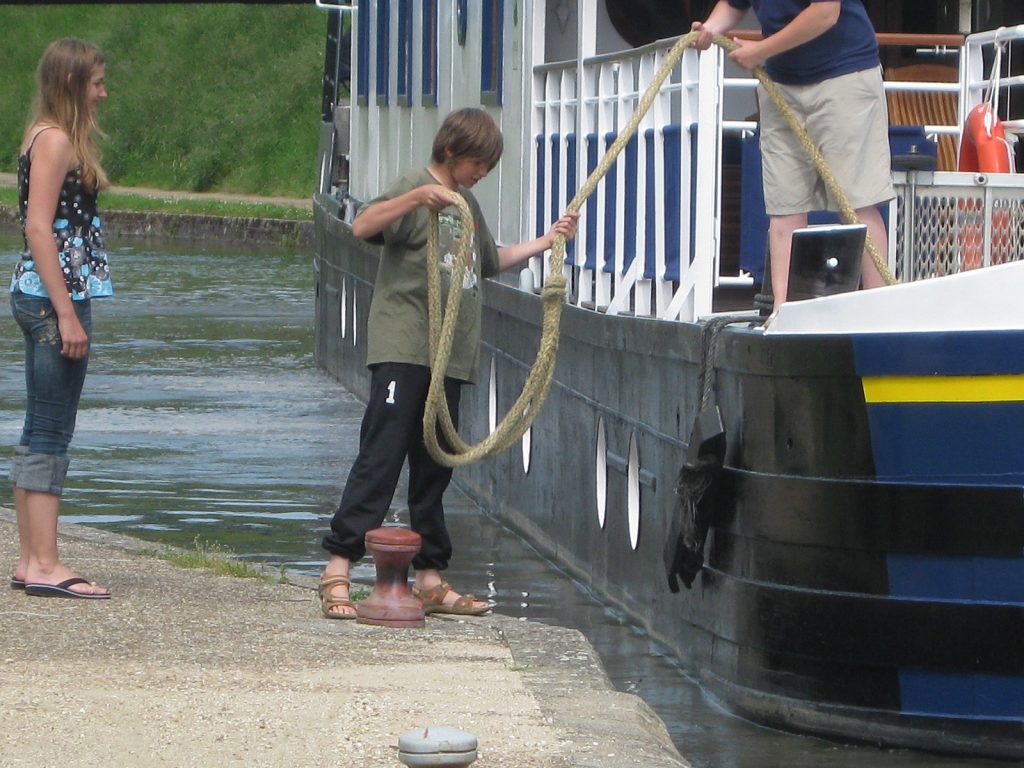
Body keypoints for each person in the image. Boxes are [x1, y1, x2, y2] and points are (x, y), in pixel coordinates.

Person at [319, 108, 578, 619]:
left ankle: (431, 576)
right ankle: (338, 566)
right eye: (480, 162)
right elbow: (363, 226)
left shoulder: (467, 204)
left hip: (450, 357)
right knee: (382, 454)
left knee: (435, 466)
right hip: (405, 348)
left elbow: (488, 261)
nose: (484, 173)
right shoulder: (415, 187)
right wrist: (417, 199)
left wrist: (547, 241)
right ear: (452, 152)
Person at [691, 0, 894, 311]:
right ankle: (783, 313)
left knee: (856, 204)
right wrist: (710, 28)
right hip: (781, 83)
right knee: (784, 208)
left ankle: (879, 313)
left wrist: (761, 51)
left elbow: (825, 13)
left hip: (845, 76)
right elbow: (733, 4)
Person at [9, 39, 113, 599]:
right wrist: (68, 313)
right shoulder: (55, 141)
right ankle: (46, 563)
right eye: (96, 82)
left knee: (38, 426)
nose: (103, 92)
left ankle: (31, 560)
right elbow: (38, 228)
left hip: (40, 295)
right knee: (52, 429)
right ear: (72, 82)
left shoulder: (43, 136)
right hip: (55, 299)